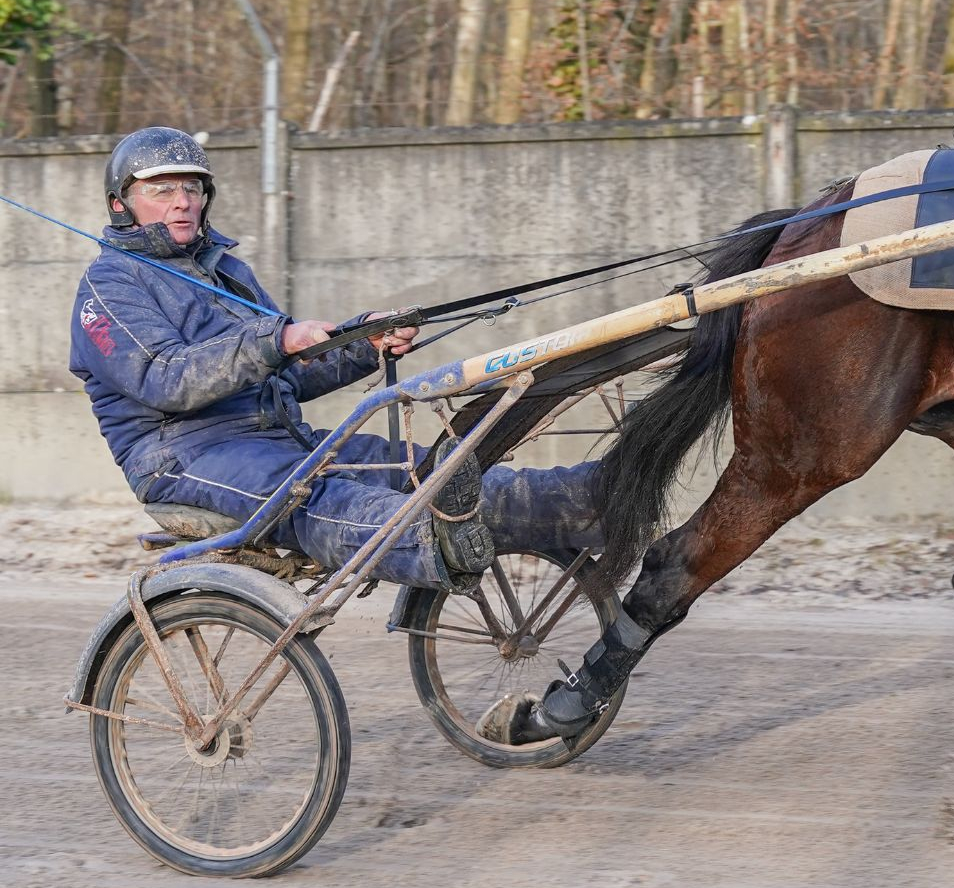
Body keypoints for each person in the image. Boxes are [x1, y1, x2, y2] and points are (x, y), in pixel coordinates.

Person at [69, 126, 599, 592]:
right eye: (161, 190)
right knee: (317, 496)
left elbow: (291, 374)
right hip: (182, 455)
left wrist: (365, 340)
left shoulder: (226, 271)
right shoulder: (108, 286)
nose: (182, 202)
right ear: (121, 204)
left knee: (422, 470)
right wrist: (276, 340)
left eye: (192, 188)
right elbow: (165, 378)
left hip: (279, 438)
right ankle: (435, 537)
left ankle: (589, 498)